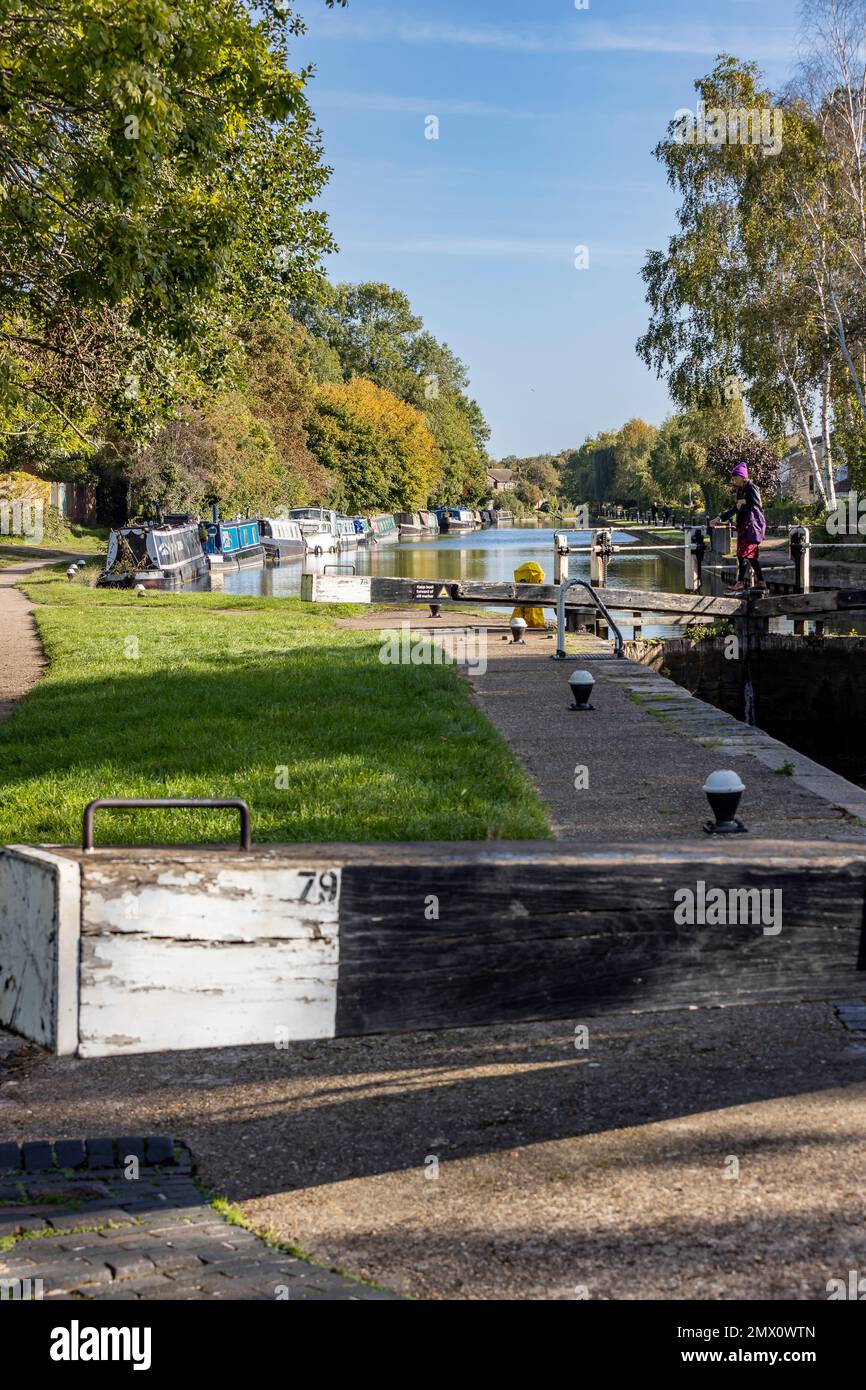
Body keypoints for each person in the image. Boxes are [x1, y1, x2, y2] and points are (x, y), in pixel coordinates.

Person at [711, 463, 767, 593]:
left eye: (735, 478)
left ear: (742, 477)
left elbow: (758, 506)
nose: (734, 481)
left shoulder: (752, 487)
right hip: (743, 527)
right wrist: (719, 518)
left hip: (751, 527)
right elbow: (735, 509)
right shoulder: (740, 490)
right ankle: (761, 582)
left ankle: (741, 582)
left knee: (744, 555)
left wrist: (744, 504)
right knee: (749, 556)